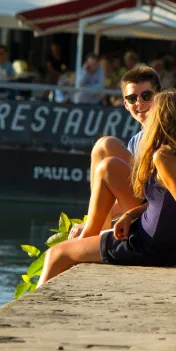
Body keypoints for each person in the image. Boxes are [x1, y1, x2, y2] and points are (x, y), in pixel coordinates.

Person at [37, 90, 176, 286]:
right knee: (109, 167)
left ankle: (35, 310)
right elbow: (169, 201)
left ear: (160, 119)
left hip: (147, 245)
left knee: (56, 253)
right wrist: (130, 215)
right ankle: (87, 239)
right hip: (167, 244)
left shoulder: (164, 157)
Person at [70, 66, 161, 239]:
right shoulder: (136, 140)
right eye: (132, 98)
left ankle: (94, 227)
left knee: (106, 145)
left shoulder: (167, 133)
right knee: (104, 151)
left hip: (157, 213)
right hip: (141, 208)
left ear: (159, 97)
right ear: (126, 104)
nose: (139, 103)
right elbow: (125, 191)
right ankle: (97, 224)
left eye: (146, 96)